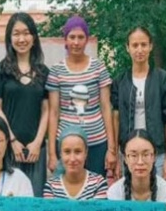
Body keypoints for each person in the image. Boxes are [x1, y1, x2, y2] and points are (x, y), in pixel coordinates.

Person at [47, 16, 116, 178]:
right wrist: (51, 153)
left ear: (87, 39)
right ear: (65, 40)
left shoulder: (98, 67)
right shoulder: (57, 71)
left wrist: (111, 148)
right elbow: (54, 112)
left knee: (95, 192)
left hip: (97, 143)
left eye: (80, 37)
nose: (76, 42)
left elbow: (106, 107)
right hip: (66, 144)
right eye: (72, 37)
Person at [0, 13, 49, 196]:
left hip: (36, 151)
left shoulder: (43, 71)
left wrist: (38, 143)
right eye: (16, 34)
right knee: (9, 200)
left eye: (26, 33)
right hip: (9, 149)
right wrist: (12, 140)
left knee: (35, 200)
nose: (21, 39)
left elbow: (47, 110)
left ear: (34, 37)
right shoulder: (1, 70)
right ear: (9, 37)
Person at [112, 26, 166, 182]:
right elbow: (115, 118)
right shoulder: (120, 81)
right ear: (127, 48)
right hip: (129, 152)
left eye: (143, 44)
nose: (139, 50)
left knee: (156, 196)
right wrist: (114, 154)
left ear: (150, 46)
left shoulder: (162, 79)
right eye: (135, 45)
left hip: (157, 152)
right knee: (129, 198)